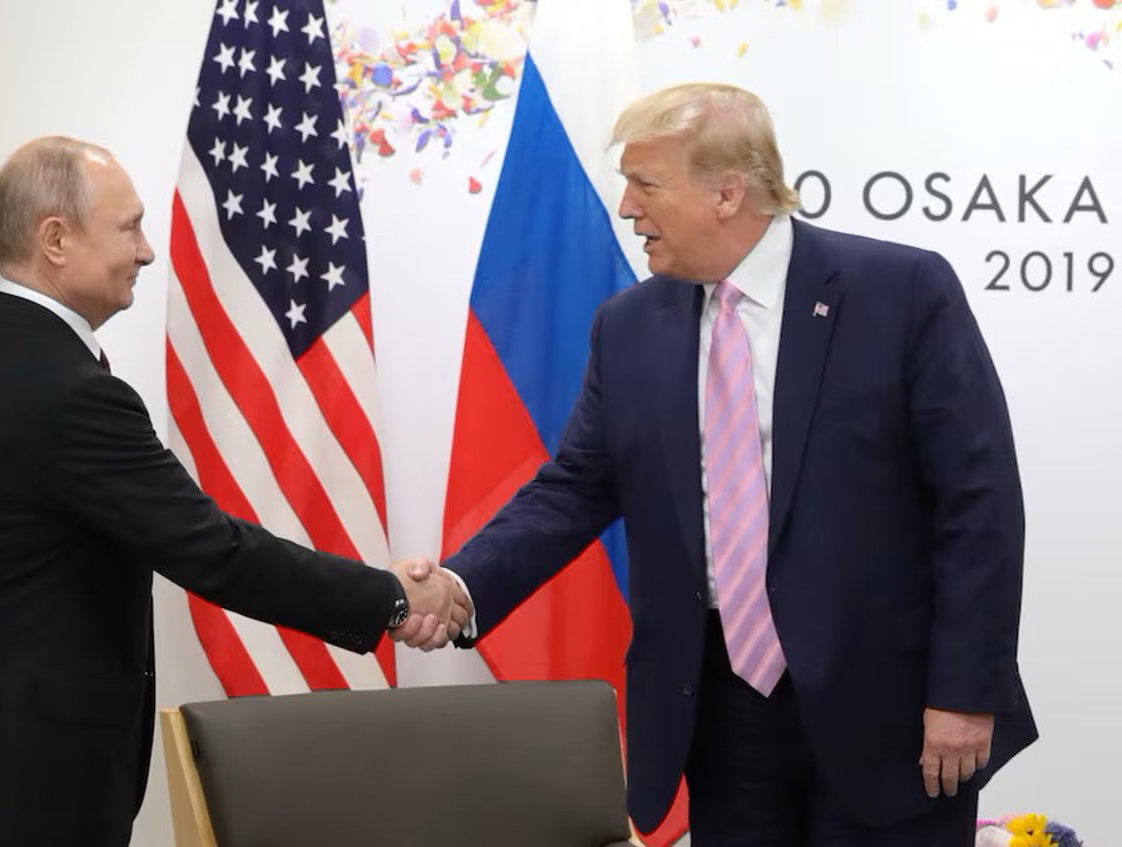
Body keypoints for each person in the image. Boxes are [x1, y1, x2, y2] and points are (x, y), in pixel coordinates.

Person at [437, 83, 1036, 845]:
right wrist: (462, 584)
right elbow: (576, 487)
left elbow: (978, 505)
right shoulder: (628, 325)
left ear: (728, 192)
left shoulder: (901, 292)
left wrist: (964, 690)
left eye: (646, 183)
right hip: (720, 710)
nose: (626, 207)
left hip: (890, 707)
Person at [0, 136, 470, 847]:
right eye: (129, 227)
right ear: (55, 239)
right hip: (27, 776)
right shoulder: (67, 391)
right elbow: (212, 549)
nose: (148, 251)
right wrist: (389, 597)